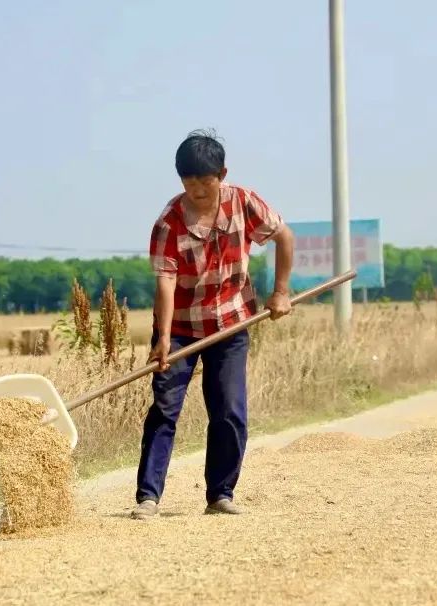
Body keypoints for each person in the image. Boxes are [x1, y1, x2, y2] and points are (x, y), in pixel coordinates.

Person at [132, 130, 295, 520]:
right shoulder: (168, 224)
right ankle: (148, 497)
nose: (199, 190)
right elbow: (166, 282)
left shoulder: (244, 203)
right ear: (180, 181)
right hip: (182, 326)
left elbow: (284, 237)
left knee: (229, 410)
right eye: (190, 183)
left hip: (231, 321)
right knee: (165, 408)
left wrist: (281, 292)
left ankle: (220, 493)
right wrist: (164, 339)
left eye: (206, 181)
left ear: (221, 174)